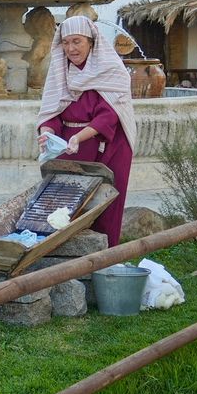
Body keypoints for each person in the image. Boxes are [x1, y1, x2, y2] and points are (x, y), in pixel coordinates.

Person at [36, 15, 136, 245]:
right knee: (64, 205)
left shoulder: (111, 70)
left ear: (91, 41)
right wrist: (47, 133)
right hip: (70, 146)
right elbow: (52, 111)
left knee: (104, 202)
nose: (71, 48)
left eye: (77, 41)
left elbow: (108, 116)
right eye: (66, 42)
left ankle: (103, 257)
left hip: (109, 146)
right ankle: (63, 254)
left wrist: (78, 137)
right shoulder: (61, 71)